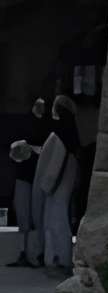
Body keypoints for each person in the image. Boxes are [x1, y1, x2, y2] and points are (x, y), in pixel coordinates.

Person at [33, 98, 82, 276]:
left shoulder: (59, 137)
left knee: (56, 222)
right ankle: (59, 259)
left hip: (56, 189)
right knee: (58, 221)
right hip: (59, 188)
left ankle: (59, 260)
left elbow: (55, 166)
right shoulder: (69, 137)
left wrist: (47, 186)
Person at [9, 101, 48, 269]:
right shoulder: (24, 124)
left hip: (37, 176)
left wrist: (31, 148)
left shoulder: (47, 125)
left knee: (38, 217)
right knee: (23, 216)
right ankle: (24, 253)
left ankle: (38, 253)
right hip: (24, 175)